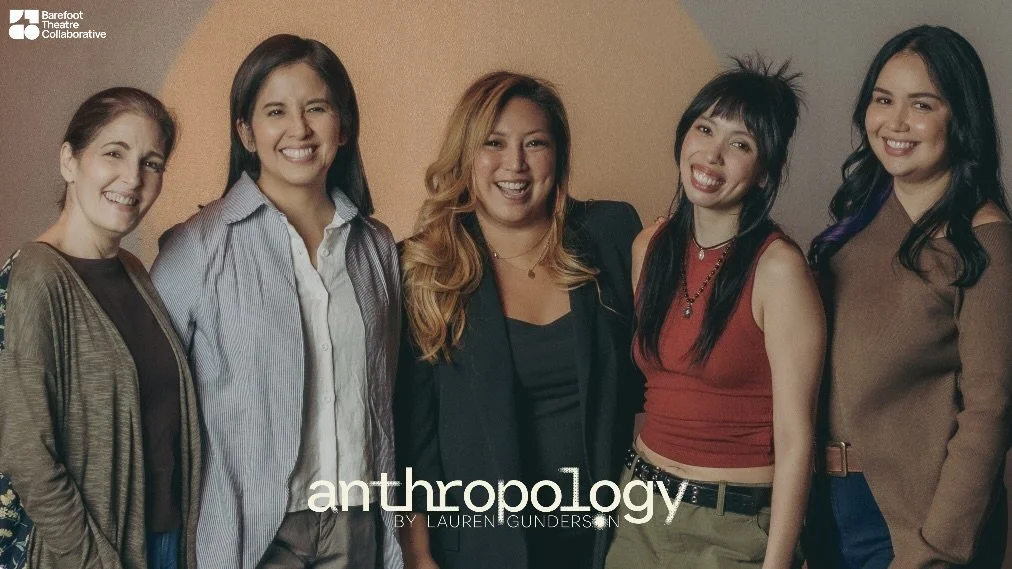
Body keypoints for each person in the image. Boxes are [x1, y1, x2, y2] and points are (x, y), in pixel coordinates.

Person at [151, 35, 402, 569]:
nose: (299, 129)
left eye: (317, 108)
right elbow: (152, 406)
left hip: (359, 523)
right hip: (247, 532)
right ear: (246, 131)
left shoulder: (376, 248)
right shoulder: (195, 248)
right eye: (275, 112)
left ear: (344, 124)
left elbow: (390, 391)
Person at [396, 71, 644, 569]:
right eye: (494, 143)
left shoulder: (612, 234)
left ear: (559, 156)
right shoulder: (425, 267)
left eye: (535, 143)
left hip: (606, 544)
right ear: (466, 155)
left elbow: (658, 381)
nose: (515, 164)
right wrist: (418, 554)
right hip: (480, 548)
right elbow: (412, 438)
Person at [806, 25, 1012, 569]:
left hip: (910, 523)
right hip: (824, 508)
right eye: (883, 100)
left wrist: (934, 550)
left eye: (921, 104)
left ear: (959, 117)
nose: (895, 122)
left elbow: (990, 411)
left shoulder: (983, 238)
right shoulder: (856, 224)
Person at [605, 57, 823, 569]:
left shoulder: (778, 269)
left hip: (731, 528)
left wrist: (777, 563)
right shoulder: (649, 247)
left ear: (764, 171)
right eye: (705, 129)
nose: (713, 154)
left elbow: (796, 439)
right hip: (640, 509)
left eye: (740, 144)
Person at [0, 87, 201, 569]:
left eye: (151, 163)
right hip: (88, 554)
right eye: (114, 153)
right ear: (69, 161)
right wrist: (93, 562)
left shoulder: (133, 270)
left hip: (164, 540)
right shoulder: (37, 277)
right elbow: (27, 455)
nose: (132, 178)